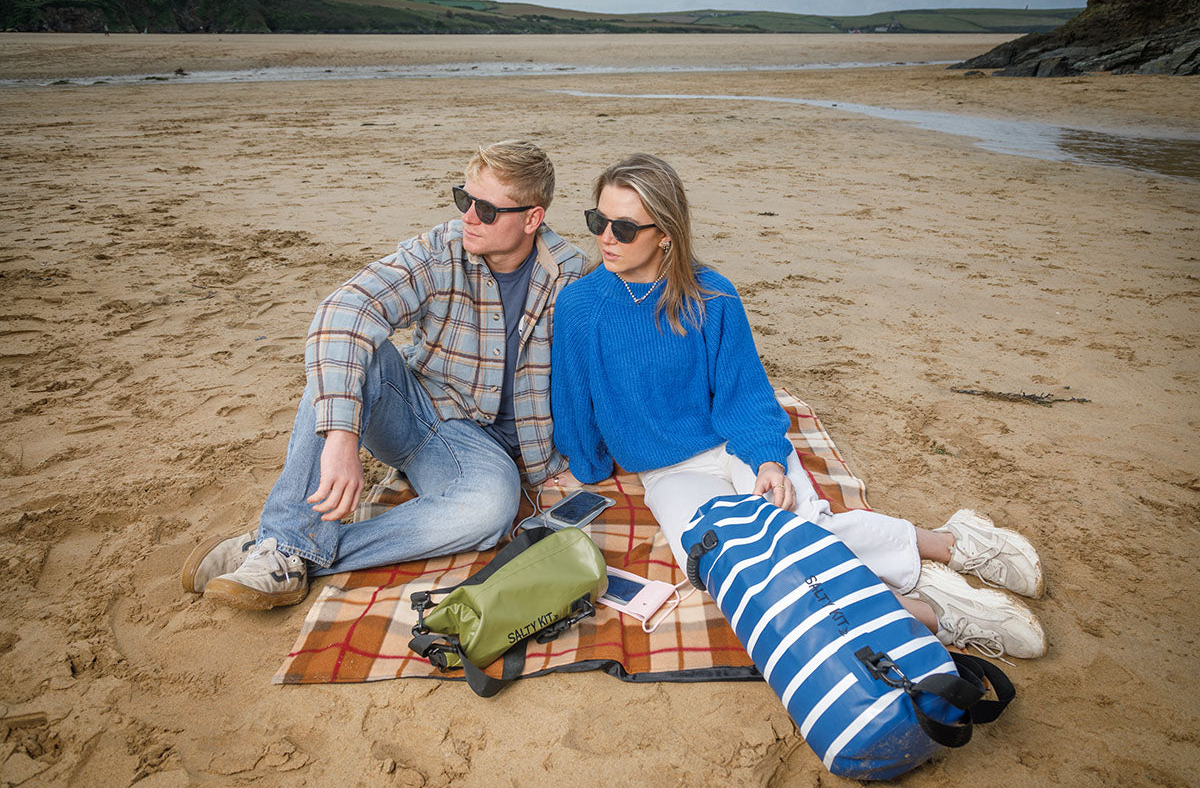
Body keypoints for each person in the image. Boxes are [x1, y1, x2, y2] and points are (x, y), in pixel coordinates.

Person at [551, 153, 1047, 658]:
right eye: (598, 221)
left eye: (624, 227)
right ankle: (933, 613)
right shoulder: (580, 306)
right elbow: (573, 400)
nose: (606, 238)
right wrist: (586, 467)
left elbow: (745, 392)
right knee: (729, 570)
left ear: (666, 233)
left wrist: (767, 458)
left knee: (806, 527)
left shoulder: (712, 295)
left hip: (734, 441)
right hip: (667, 471)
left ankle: (947, 544)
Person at [181, 140, 586, 610]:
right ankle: (286, 542)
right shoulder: (440, 250)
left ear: (532, 219)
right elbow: (345, 310)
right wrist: (339, 434)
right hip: (415, 410)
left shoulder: (570, 276)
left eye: (487, 210)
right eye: (464, 199)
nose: (469, 217)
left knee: (491, 512)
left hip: (485, 456)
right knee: (352, 349)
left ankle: (284, 553)